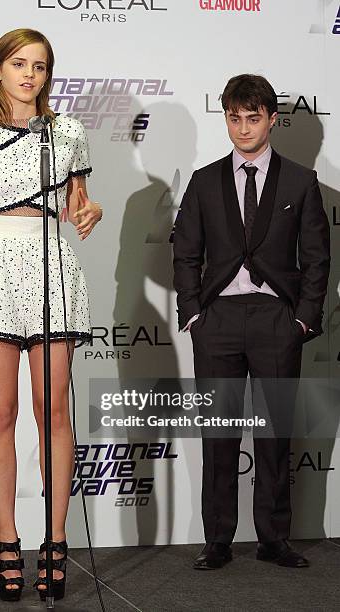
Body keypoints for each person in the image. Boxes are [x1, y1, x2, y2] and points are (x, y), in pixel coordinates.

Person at [0, 28, 102, 602]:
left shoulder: (68, 132)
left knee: (51, 408)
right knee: (0, 411)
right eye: (21, 63)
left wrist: (90, 210)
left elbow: (79, 203)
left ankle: (56, 540)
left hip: (52, 262)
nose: (32, 74)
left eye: (41, 65)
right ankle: (7, 541)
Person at [173, 74, 330, 570]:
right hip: (216, 319)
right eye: (234, 118)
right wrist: (193, 311)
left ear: (271, 119)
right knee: (218, 434)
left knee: (275, 434)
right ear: (226, 119)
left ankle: (273, 539)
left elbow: (317, 258)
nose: (243, 129)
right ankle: (217, 539)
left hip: (277, 319)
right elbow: (185, 253)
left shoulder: (302, 181)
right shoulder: (203, 180)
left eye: (253, 118)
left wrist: (303, 319)